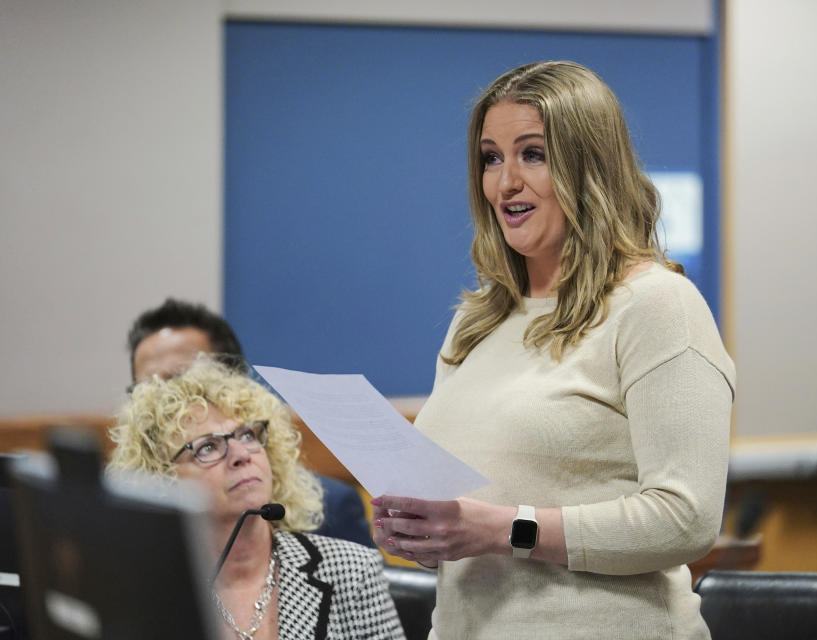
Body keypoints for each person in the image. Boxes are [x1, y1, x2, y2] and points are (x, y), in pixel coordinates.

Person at [371, 61, 735, 639]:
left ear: (588, 166)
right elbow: (472, 520)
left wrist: (501, 530)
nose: (505, 183)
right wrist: (427, 536)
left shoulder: (658, 306)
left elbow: (685, 520)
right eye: (491, 157)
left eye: (531, 154)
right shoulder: (477, 320)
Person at [109, 359, 405, 640]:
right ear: (161, 480)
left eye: (248, 435)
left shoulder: (352, 571)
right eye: (208, 447)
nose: (241, 455)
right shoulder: (143, 592)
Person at [126, 298, 376, 548]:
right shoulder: (132, 525)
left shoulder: (331, 511)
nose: (165, 398)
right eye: (147, 388)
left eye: (182, 379)